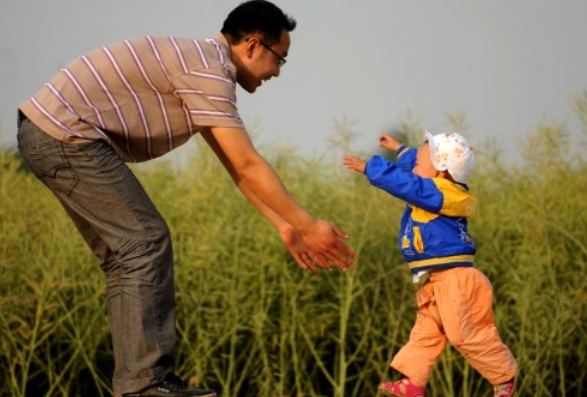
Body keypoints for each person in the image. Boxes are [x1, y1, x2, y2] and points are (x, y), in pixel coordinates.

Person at [16, 1, 356, 396]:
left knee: (128, 253)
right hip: (65, 134)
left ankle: (138, 383)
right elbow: (248, 164)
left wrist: (283, 223)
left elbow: (235, 168)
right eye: (280, 59)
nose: (278, 72)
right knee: (145, 241)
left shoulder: (204, 65)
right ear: (252, 45)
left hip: (51, 133)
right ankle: (144, 383)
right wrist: (308, 224)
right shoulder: (207, 72)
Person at [343, 131, 517, 397]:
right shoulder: (437, 186)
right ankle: (413, 383)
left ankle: (503, 377)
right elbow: (418, 170)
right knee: (426, 332)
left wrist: (371, 167)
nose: (413, 167)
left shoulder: (439, 194)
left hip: (456, 282)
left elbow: (409, 183)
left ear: (441, 172)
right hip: (438, 281)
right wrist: (400, 149)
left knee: (463, 335)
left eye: (418, 163)